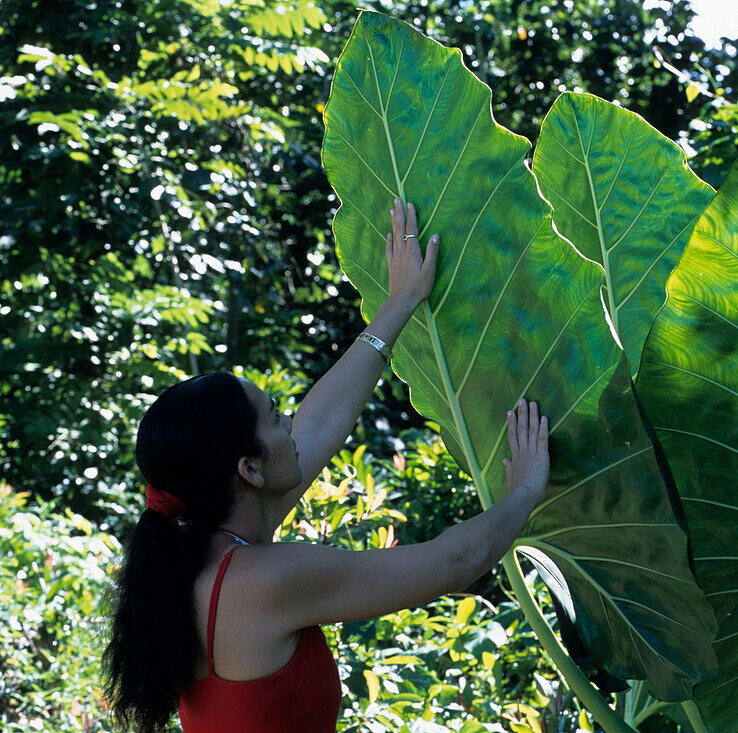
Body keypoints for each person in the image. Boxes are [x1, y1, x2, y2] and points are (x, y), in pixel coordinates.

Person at [103, 200, 551, 733]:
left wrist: (401, 301)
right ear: (249, 470)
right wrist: (525, 491)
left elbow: (319, 424)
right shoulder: (260, 580)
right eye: (275, 418)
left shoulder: (202, 555)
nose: (290, 423)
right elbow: (453, 564)